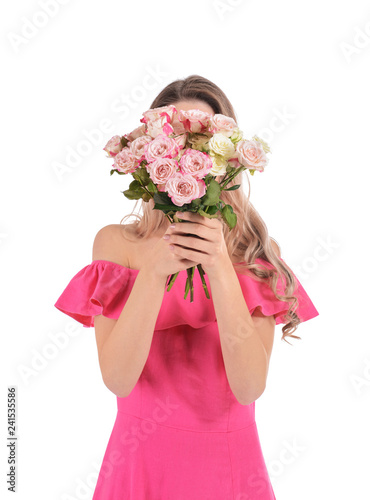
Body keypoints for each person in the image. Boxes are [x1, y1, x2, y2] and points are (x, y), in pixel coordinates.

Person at [54, 75, 319, 499]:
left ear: (228, 159)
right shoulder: (117, 245)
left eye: (201, 139)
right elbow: (119, 379)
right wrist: (156, 272)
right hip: (138, 467)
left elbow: (249, 387)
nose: (189, 153)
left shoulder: (256, 255)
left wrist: (218, 264)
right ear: (150, 156)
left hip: (230, 472)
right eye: (176, 139)